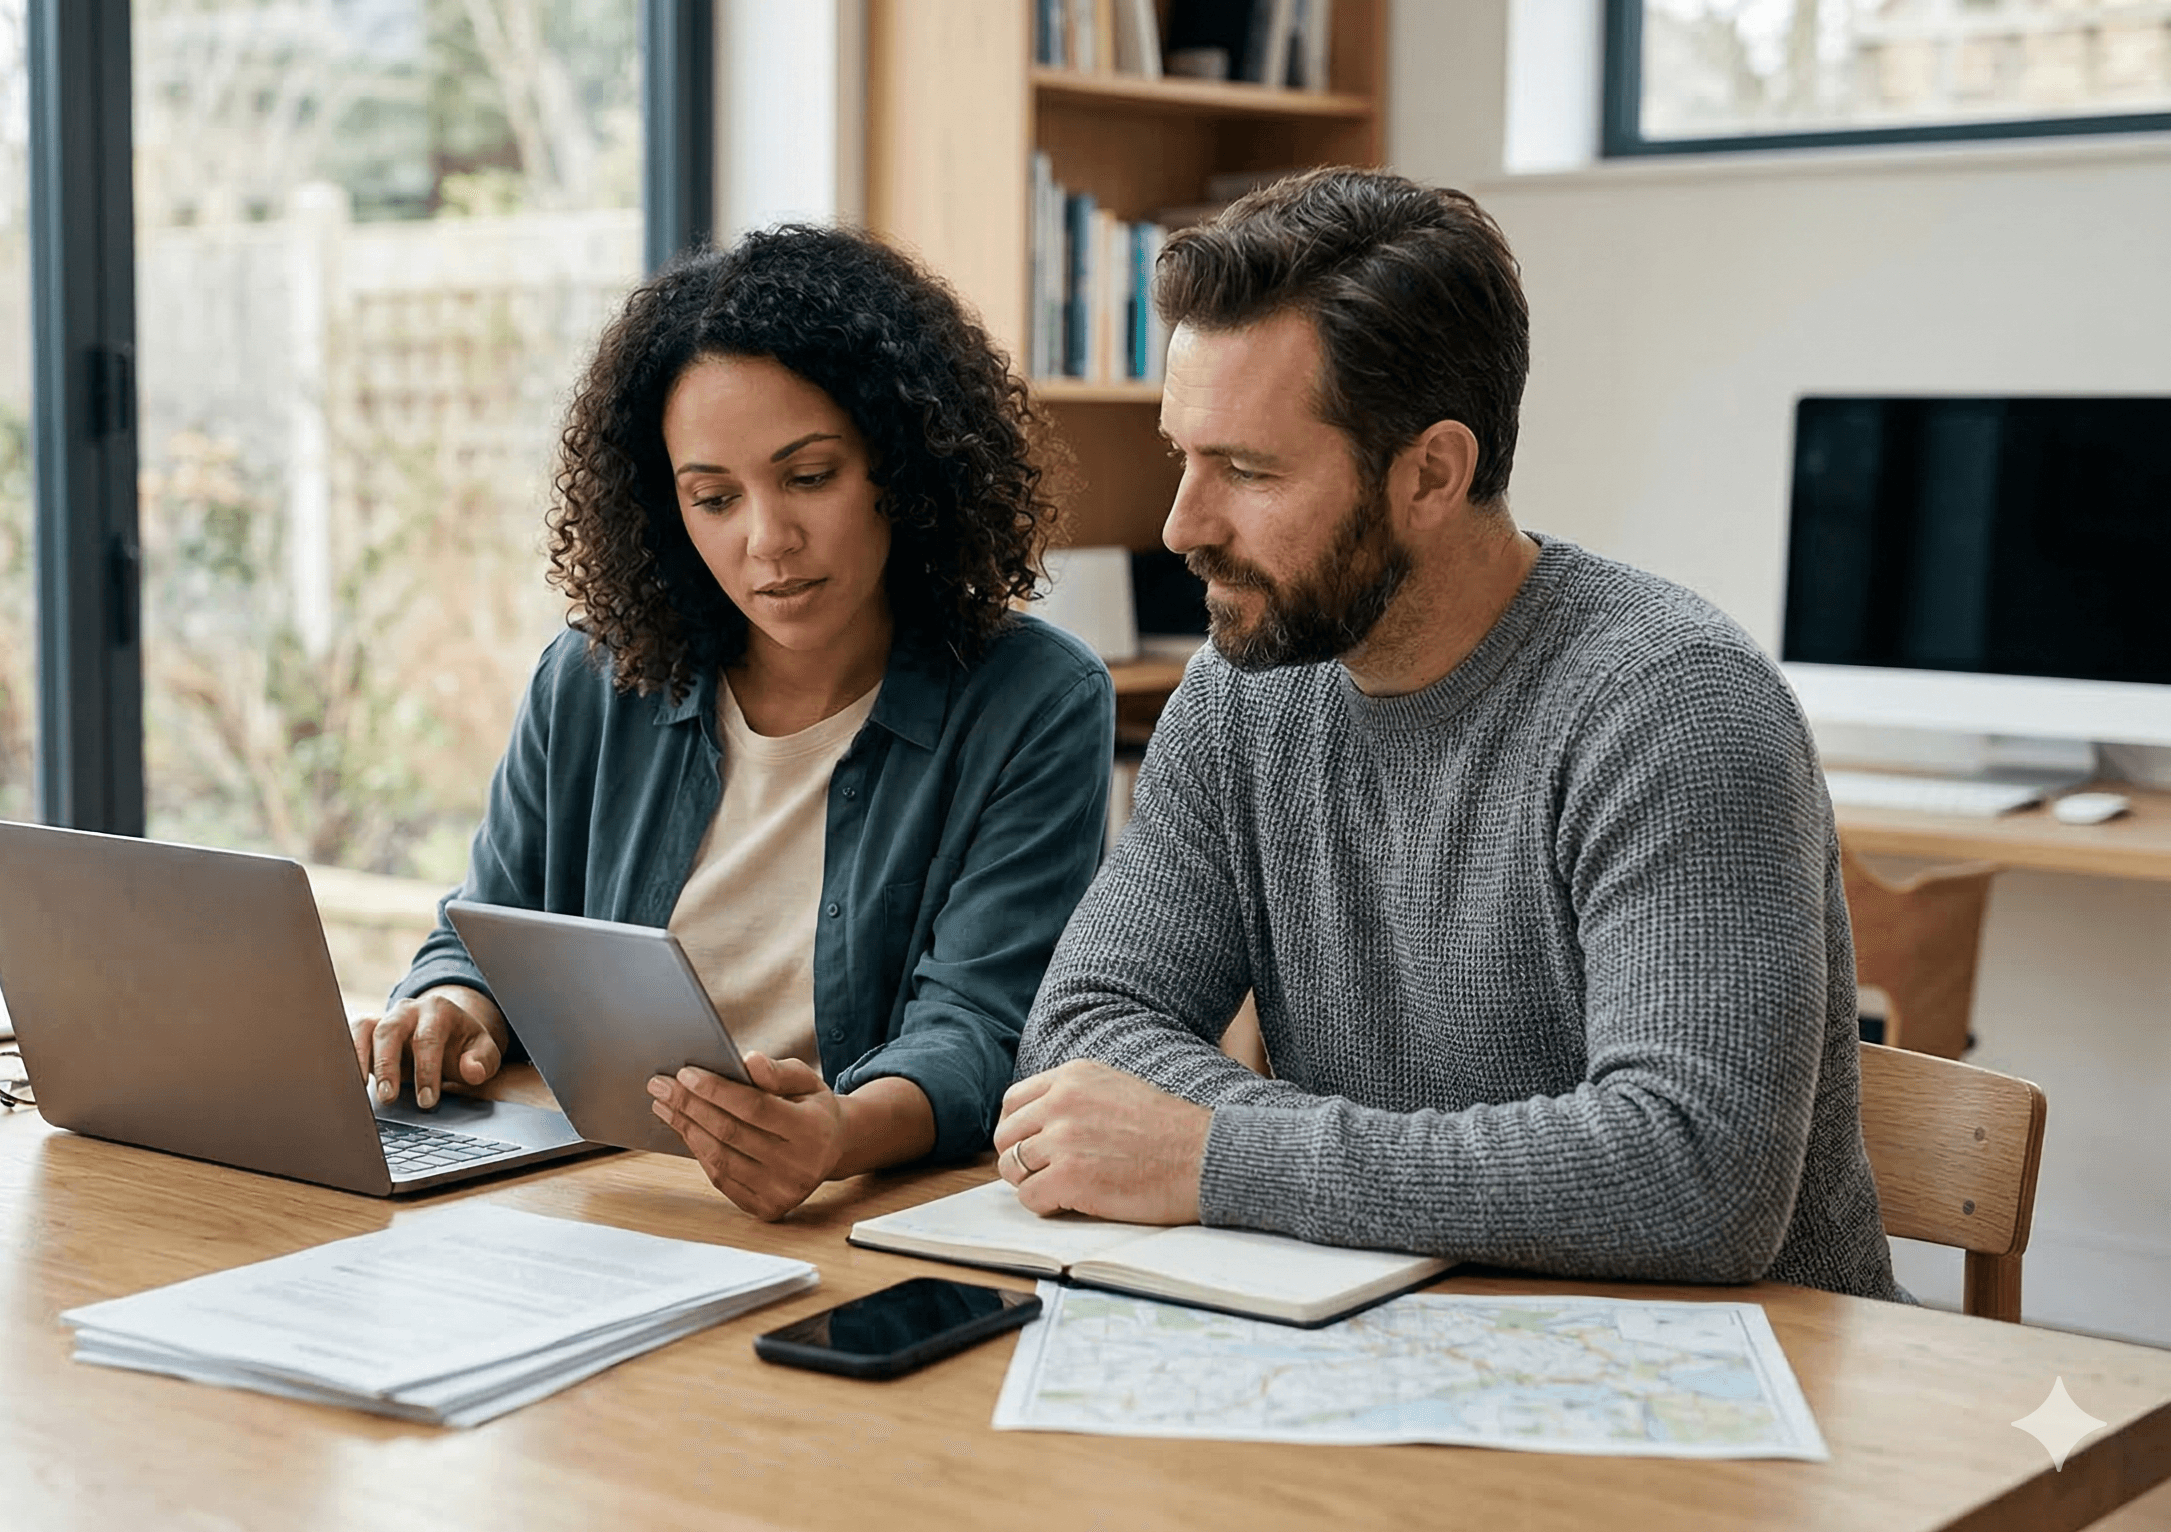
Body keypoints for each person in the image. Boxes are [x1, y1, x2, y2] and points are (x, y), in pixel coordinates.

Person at [993, 169, 1899, 1298]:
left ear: (1430, 473)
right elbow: (1084, 1033)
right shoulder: (1241, 696)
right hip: (1377, 1328)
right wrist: (1314, 1167)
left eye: (1247, 470)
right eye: (1183, 454)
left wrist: (1217, 1153)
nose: (1183, 523)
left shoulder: (1673, 705)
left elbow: (1692, 1176)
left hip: (1741, 1388)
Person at [357, 225, 1116, 1221]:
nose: (768, 540)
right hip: (598, 1196)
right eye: (713, 497)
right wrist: (449, 1007)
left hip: (849, 1217)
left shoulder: (1035, 701)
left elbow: (980, 1030)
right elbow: (487, 926)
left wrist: (837, 1132)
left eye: (809, 478)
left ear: (902, 464)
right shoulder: (593, 678)